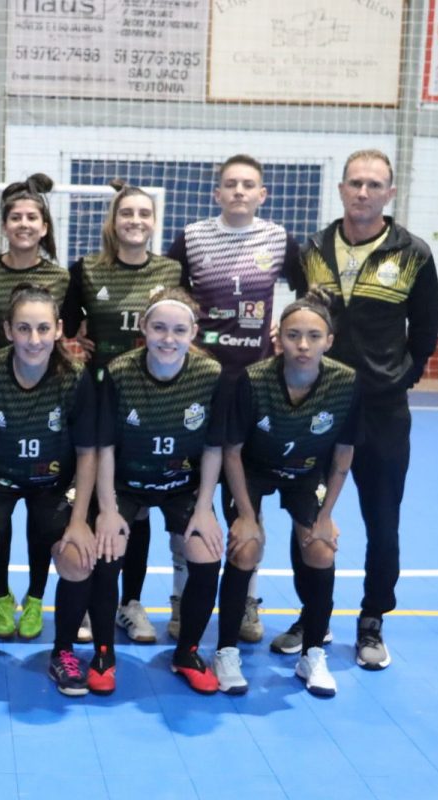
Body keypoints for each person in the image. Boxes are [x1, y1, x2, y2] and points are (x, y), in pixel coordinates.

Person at [284, 149, 438, 668]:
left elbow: (425, 332)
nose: (363, 192)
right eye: (355, 183)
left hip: (382, 413)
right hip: (319, 406)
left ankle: (373, 619)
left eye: (374, 185)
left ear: (389, 193)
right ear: (341, 189)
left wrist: (398, 381)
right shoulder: (311, 249)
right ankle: (313, 616)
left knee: (382, 520)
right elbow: (301, 319)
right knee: (307, 513)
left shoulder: (413, 254)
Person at [166, 155, 302, 644]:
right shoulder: (193, 237)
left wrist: (287, 325)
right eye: (230, 184)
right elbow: (169, 295)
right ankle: (181, 599)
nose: (239, 191)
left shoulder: (279, 239)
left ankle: (247, 601)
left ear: (262, 194)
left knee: (248, 499)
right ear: (217, 193)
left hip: (254, 386)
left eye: (248, 185)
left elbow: (311, 294)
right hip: (199, 382)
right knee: (188, 496)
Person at [215, 288, 361, 697]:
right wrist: (247, 517)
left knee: (320, 549)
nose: (303, 345)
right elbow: (232, 451)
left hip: (306, 471)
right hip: (252, 469)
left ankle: (312, 652)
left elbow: (343, 455)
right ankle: (226, 650)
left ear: (328, 341)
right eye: (293, 335)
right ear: (278, 338)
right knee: (246, 548)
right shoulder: (253, 380)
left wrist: (326, 515)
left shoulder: (346, 383)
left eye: (313, 336)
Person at [0, 284, 98, 695]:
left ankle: (63, 651)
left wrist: (79, 520)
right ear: (7, 330)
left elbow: (87, 454)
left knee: (79, 560)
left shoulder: (75, 378)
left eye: (42, 328)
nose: (34, 339)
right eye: (23, 329)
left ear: (58, 329)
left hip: (53, 483)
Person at [61, 181, 183, 645]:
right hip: (99, 400)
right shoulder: (87, 269)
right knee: (99, 502)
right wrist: (75, 341)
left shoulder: (171, 270)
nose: (135, 221)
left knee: (139, 507)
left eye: (143, 213)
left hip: (152, 401)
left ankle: (130, 603)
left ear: (154, 221)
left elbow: (184, 322)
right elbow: (64, 326)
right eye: (126, 213)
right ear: (113, 221)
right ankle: (95, 602)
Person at [93, 288, 228, 695]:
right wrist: (107, 509)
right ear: (143, 328)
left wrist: (204, 508)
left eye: (179, 330)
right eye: (159, 328)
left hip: (181, 485)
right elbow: (104, 447)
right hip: (126, 482)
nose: (169, 339)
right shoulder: (119, 372)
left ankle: (187, 653)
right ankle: (103, 654)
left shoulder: (210, 375)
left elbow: (213, 448)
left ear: (193, 333)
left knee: (207, 552)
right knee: (107, 550)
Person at [0, 174, 71, 643]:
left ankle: (35, 597)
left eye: (33, 217)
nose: (24, 223)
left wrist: (78, 346)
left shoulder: (62, 277)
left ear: (45, 226)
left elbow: (76, 328)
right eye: (16, 216)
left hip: (47, 397)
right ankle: (1, 596)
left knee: (42, 512)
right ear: (4, 224)